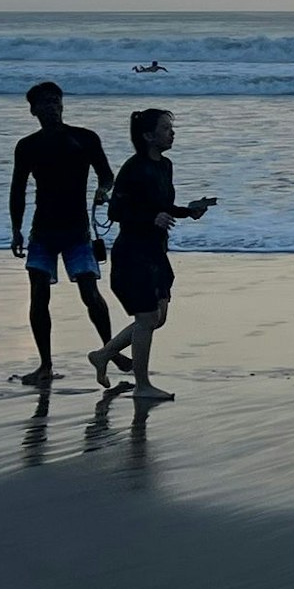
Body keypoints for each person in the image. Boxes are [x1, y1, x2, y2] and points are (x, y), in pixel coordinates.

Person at [88, 109, 214, 401]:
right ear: (148, 135)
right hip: (133, 253)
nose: (172, 133)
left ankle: (103, 354)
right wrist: (150, 219)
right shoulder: (134, 167)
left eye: (171, 128)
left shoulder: (165, 166)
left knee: (158, 317)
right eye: (166, 128)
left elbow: (162, 207)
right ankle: (142, 385)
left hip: (156, 251)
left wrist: (189, 211)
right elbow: (116, 211)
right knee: (146, 318)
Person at [10, 81, 122, 385]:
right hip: (42, 231)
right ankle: (45, 365)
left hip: (77, 231)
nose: (51, 107)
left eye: (55, 100)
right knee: (38, 296)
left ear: (62, 104)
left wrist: (102, 191)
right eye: (44, 102)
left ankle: (110, 349)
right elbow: (17, 189)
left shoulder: (84, 138)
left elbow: (107, 176)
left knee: (90, 293)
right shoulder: (27, 146)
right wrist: (16, 229)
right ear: (33, 110)